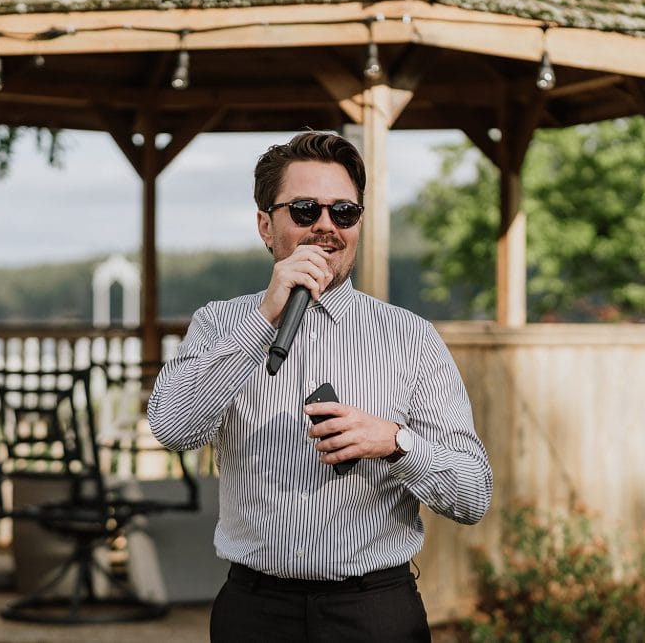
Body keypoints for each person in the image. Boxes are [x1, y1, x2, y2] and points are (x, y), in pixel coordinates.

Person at [147, 130, 493, 642]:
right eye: (305, 210)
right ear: (266, 226)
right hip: (256, 611)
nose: (326, 226)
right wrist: (264, 319)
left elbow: (472, 495)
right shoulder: (219, 324)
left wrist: (395, 442)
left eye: (344, 212)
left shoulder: (411, 338)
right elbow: (172, 428)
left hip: (374, 611)